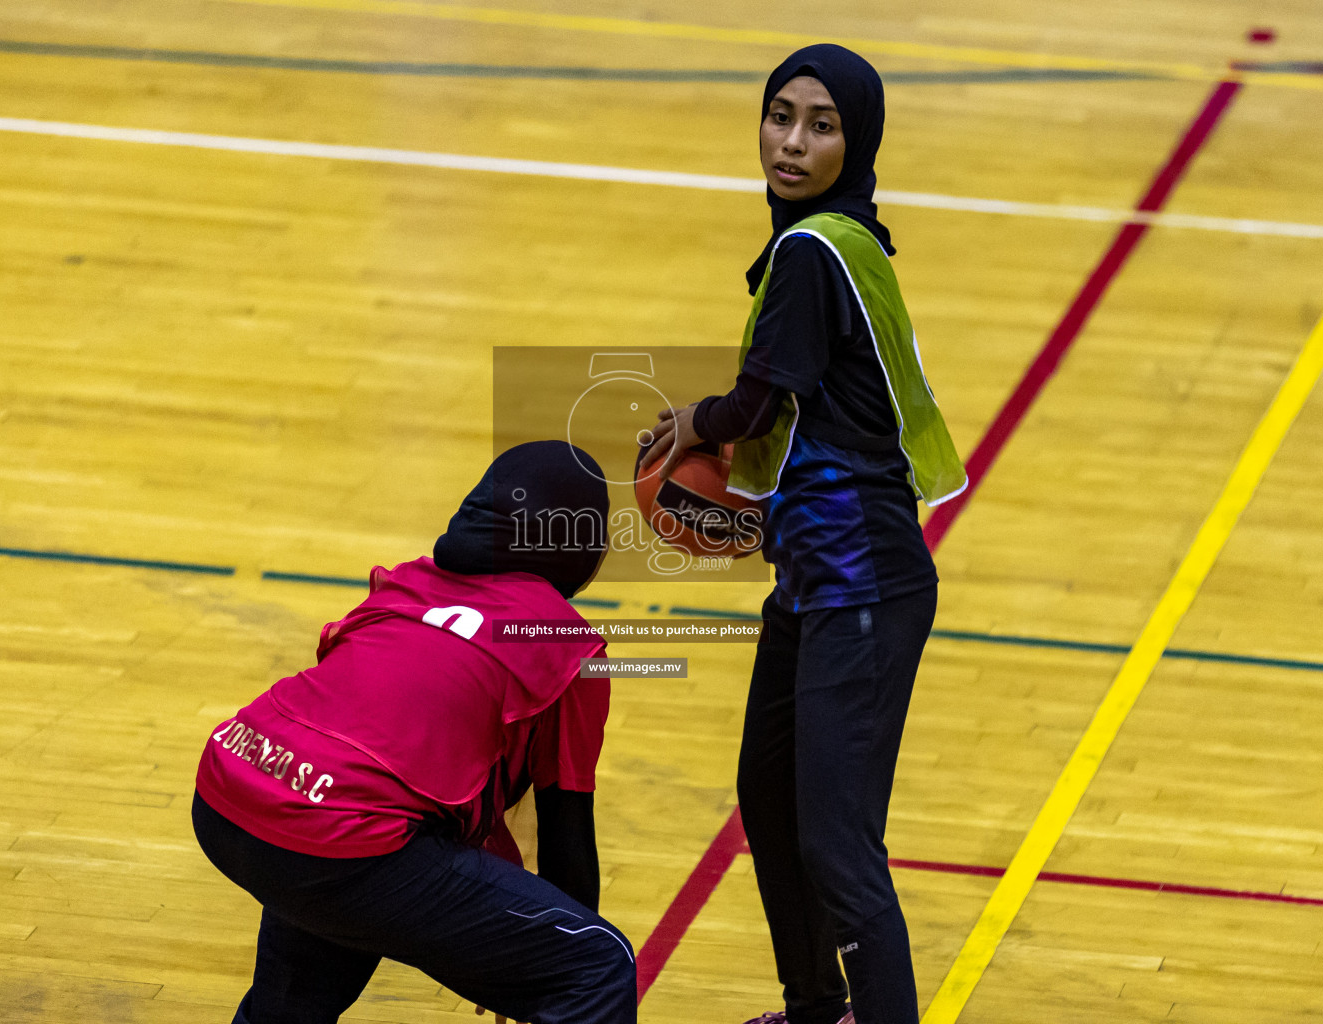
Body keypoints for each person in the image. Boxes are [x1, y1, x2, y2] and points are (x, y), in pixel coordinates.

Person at [641, 44, 967, 1024]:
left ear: (854, 139)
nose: (791, 141)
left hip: (861, 576)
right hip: (819, 570)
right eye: (780, 115)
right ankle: (814, 1008)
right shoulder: (846, 236)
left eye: (821, 125)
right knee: (772, 801)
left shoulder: (813, 252)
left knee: (836, 838)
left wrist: (689, 424)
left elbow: (754, 402)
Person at [192, 440, 635, 1024]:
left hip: (231, 787)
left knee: (322, 927)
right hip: (344, 835)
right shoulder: (566, 644)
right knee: (598, 964)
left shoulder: (402, 585)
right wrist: (542, 952)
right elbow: (567, 832)